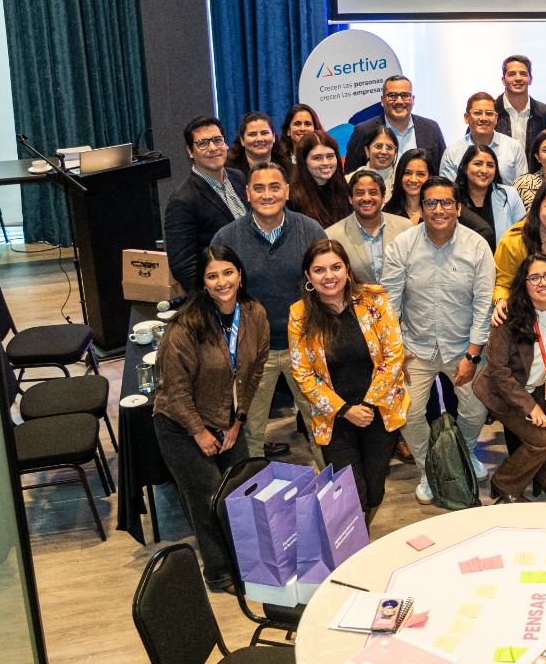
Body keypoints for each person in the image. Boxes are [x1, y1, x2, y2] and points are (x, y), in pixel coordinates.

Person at [152, 244, 265, 591]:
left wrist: (238, 421)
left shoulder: (254, 313)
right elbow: (175, 390)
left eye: (228, 272)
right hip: (180, 425)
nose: (222, 281)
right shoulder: (185, 327)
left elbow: (254, 370)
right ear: (203, 282)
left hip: (227, 418)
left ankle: (249, 561)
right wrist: (199, 432)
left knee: (240, 492)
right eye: (212, 276)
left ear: (240, 275)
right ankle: (219, 573)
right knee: (209, 499)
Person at [382, 175, 496, 501]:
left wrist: (472, 356)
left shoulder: (477, 246)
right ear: (421, 208)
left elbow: (483, 306)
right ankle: (428, 467)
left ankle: (462, 453)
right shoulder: (402, 246)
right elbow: (389, 305)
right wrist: (397, 351)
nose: (438, 209)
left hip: (462, 347)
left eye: (446, 202)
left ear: (458, 208)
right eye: (430, 202)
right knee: (408, 412)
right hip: (414, 348)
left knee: (475, 411)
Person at [211, 163, 327, 462]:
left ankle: (333, 487)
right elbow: (215, 295)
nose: (267, 195)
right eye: (259, 188)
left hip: (305, 346)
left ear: (287, 191)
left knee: (320, 425)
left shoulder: (310, 231)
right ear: (247, 193)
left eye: (275, 187)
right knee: (251, 433)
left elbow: (328, 286)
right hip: (253, 351)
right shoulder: (227, 239)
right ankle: (254, 488)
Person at [288, 239, 407, 515]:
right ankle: (356, 536)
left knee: (375, 490)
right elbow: (302, 373)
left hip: (377, 411)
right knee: (352, 493)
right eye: (319, 270)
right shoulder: (300, 314)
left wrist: (368, 405)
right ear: (308, 276)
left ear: (347, 269)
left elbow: (393, 356)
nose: (329, 276)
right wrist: (345, 410)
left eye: (335, 267)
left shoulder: (374, 300)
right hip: (335, 419)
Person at [471, 255, 546, 504]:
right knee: (542, 440)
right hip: (505, 392)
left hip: (544, 388)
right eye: (534, 277)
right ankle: (504, 484)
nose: (543, 282)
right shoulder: (508, 315)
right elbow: (498, 371)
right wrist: (531, 407)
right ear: (524, 283)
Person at [165, 115, 248, 292]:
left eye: (217, 140)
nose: (213, 148)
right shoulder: (182, 200)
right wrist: (214, 298)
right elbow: (183, 266)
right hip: (222, 291)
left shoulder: (238, 177)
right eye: (202, 143)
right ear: (190, 151)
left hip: (250, 280)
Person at [493, 179, 546, 322]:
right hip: (523, 315)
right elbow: (502, 284)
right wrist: (501, 300)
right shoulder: (513, 241)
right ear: (537, 206)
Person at [344, 75, 447, 176]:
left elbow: (442, 172)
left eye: (405, 95)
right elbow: (352, 175)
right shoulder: (364, 131)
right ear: (383, 100)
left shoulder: (431, 128)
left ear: (413, 99)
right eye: (392, 95)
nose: (399, 101)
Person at [327, 169, 415, 285]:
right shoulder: (332, 236)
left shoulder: (405, 227)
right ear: (350, 198)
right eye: (359, 193)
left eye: (373, 192)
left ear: (383, 197)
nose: (367, 198)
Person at [441, 92, 528, 185]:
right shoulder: (452, 153)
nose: (484, 118)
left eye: (489, 113)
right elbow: (447, 191)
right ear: (466, 117)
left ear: (496, 118)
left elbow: (522, 188)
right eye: (477, 113)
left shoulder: (514, 148)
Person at [454, 143, 525, 251]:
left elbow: (522, 235)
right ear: (465, 167)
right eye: (478, 164)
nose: (484, 170)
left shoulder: (510, 195)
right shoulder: (452, 197)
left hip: (500, 259)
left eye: (490, 165)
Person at [288, 132, 352, 228]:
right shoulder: (291, 197)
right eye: (317, 158)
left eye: (330, 156)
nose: (325, 163)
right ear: (304, 161)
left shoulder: (346, 190)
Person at [495, 54, 546, 154]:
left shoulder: (543, 113)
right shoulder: (491, 111)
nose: (518, 78)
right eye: (512, 74)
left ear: (530, 79)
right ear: (503, 80)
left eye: (523, 74)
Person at [383, 150, 435, 223]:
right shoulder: (387, 213)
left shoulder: (438, 211)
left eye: (420, 174)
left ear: (430, 176)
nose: (413, 180)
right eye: (407, 173)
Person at [225, 111, 276, 176]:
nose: (259, 139)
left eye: (264, 133)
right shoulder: (228, 172)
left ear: (273, 137)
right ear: (242, 140)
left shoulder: (287, 168)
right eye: (252, 134)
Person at [354, 123, 402, 191]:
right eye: (378, 146)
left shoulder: (404, 179)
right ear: (367, 151)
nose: (384, 152)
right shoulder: (351, 180)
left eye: (389, 147)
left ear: (395, 152)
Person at [275, 104, 322, 170]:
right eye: (297, 124)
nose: (303, 128)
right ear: (288, 131)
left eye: (307, 124)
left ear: (315, 129)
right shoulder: (278, 162)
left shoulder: (324, 157)